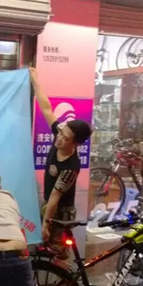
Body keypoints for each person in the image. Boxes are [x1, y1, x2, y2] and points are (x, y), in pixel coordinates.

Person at [30, 68, 92, 260]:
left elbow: (56, 197)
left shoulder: (71, 166)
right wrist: (35, 80)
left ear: (76, 144)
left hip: (61, 212)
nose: (59, 139)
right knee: (44, 249)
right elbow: (46, 108)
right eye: (61, 133)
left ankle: (64, 279)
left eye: (65, 138)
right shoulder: (60, 134)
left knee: (58, 254)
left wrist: (46, 224)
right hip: (49, 204)